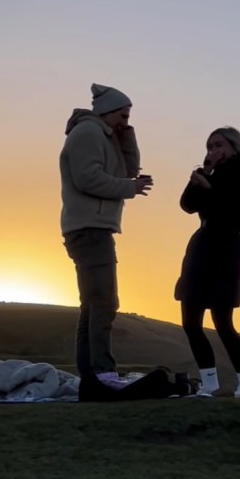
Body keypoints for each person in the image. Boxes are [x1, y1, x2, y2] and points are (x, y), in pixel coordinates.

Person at [60, 83, 152, 386]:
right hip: (90, 228)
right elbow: (87, 178)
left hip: (92, 227)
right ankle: (103, 373)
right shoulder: (87, 133)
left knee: (93, 304)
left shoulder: (104, 135)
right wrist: (130, 188)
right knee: (104, 303)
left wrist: (128, 137)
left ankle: (92, 375)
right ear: (106, 111)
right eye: (122, 116)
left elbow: (127, 170)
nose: (125, 122)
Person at [175, 126, 240, 398]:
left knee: (222, 320)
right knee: (191, 321)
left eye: (218, 144)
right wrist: (203, 177)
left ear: (234, 145)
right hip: (202, 247)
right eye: (209, 147)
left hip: (226, 248)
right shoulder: (211, 173)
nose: (213, 151)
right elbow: (187, 205)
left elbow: (237, 216)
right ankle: (209, 385)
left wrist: (209, 188)